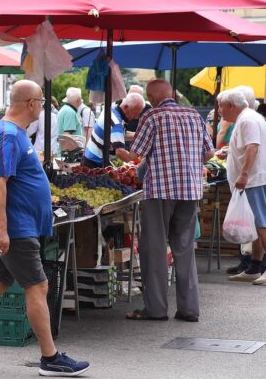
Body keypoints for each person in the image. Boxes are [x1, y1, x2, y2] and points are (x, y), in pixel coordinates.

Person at [0, 80, 90, 376]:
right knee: (38, 286)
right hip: (16, 228)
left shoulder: (15, 134)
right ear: (30, 103)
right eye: (41, 101)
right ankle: (50, 358)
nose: (43, 106)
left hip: (16, 226)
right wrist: (2, 229)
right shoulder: (6, 135)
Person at [124, 79, 213, 322]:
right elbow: (209, 152)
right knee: (184, 249)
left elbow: (135, 154)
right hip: (190, 190)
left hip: (161, 190)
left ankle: (156, 309)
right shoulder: (194, 114)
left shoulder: (152, 116)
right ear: (172, 93)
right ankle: (189, 309)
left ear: (151, 98)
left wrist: (124, 144)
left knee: (154, 250)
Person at [217, 89, 266, 285]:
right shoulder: (248, 118)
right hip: (255, 179)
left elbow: (253, 146)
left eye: (221, 105)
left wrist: (244, 174)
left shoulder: (247, 120)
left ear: (231, 105)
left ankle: (259, 266)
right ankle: (255, 266)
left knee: (262, 224)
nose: (219, 109)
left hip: (255, 179)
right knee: (258, 224)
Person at [82, 93, 145, 168]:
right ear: (125, 107)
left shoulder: (112, 108)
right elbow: (120, 152)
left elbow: (120, 135)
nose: (136, 117)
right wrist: (136, 164)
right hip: (94, 163)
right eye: (135, 113)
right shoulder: (116, 123)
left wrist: (142, 136)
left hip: (89, 156)